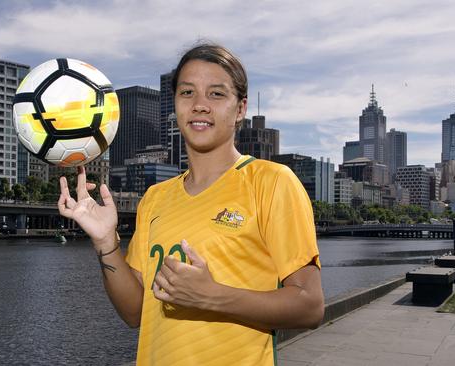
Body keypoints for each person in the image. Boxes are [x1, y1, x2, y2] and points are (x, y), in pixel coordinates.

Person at [58, 43, 324, 366]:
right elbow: (134, 313)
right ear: (175, 104)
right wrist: (105, 243)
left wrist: (212, 296)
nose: (199, 105)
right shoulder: (155, 197)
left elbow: (310, 306)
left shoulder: (271, 183)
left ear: (240, 109)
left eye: (216, 94)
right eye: (187, 93)